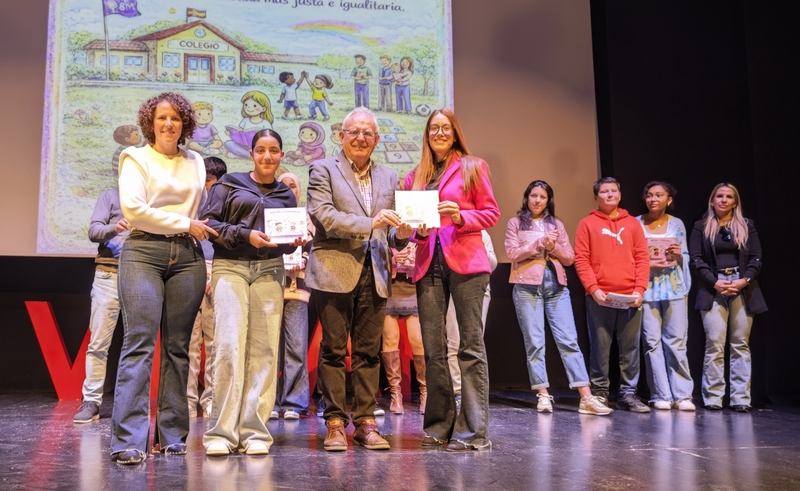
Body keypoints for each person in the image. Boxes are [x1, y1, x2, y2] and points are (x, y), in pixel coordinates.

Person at [111, 92, 217, 465]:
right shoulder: (135, 157)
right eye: (161, 118)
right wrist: (186, 223)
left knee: (178, 348)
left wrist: (190, 227)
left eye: (175, 118)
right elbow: (134, 211)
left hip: (187, 256)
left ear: (184, 123)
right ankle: (128, 440)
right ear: (150, 123)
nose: (168, 124)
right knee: (139, 343)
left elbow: (198, 210)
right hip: (144, 252)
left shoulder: (196, 161)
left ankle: (172, 436)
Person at [305, 107, 412, 452]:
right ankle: (335, 423)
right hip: (333, 270)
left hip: (376, 270)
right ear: (342, 136)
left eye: (368, 133)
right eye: (354, 132)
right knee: (334, 350)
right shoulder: (323, 169)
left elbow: (392, 232)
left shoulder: (390, 176)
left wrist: (403, 233)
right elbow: (324, 216)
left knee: (369, 352)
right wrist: (371, 224)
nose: (361, 138)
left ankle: (366, 422)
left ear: (376, 139)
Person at [200, 129, 304, 456]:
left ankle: (255, 431)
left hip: (269, 270)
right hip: (230, 268)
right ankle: (221, 432)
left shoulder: (285, 195)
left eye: (273, 151)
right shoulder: (229, 184)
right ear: (251, 154)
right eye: (261, 150)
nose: (267, 157)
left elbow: (283, 242)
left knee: (264, 351)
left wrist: (294, 242)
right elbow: (209, 225)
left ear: (282, 155)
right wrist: (247, 236)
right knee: (229, 346)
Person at [405, 108, 499, 452]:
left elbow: (491, 212)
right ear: (427, 134)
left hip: (466, 263)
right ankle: (438, 425)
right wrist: (416, 231)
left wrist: (461, 216)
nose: (440, 133)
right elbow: (411, 228)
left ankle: (474, 431)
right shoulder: (415, 176)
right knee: (433, 349)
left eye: (446, 128)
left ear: (455, 132)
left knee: (470, 346)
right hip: (428, 263)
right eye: (434, 128)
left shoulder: (473, 166)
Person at [506, 180, 613, 416]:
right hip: (526, 287)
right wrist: (538, 244)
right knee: (535, 343)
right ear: (527, 198)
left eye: (542, 197)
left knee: (569, 341)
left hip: (556, 287)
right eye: (533, 196)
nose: (537, 201)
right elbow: (512, 253)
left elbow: (569, 258)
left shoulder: (556, 224)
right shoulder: (515, 223)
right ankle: (543, 394)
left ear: (548, 201)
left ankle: (586, 397)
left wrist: (553, 247)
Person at [574, 177, 650, 413]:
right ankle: (599, 394)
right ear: (596, 197)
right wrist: (593, 289)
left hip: (630, 297)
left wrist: (639, 290)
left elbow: (642, 258)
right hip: (600, 297)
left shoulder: (633, 224)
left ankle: (628, 394)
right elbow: (581, 259)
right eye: (604, 191)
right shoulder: (586, 224)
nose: (610, 195)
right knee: (600, 347)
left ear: (620, 194)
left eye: (614, 191)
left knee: (630, 348)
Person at [689, 183, 766, 413]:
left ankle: (740, 398)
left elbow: (756, 258)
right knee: (715, 342)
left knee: (740, 344)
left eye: (729, 197)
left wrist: (745, 280)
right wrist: (715, 282)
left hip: (742, 286)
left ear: (735, 202)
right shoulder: (701, 226)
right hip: (713, 287)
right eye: (719, 196)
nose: (723, 200)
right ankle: (713, 397)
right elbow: (696, 259)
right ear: (712, 200)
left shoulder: (747, 225)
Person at [636, 181, 695, 411]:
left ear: (669, 200)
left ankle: (682, 395)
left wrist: (679, 255)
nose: (653, 199)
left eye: (659, 195)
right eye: (649, 195)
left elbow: (685, 255)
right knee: (652, 343)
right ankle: (660, 394)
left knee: (676, 342)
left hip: (674, 288)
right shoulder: (636, 223)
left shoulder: (677, 223)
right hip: (647, 289)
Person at [73, 188, 129, 424]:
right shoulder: (111, 196)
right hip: (109, 274)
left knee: (138, 345)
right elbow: (94, 231)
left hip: (142, 277)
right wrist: (115, 228)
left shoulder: (154, 197)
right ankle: (91, 401)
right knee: (98, 344)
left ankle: (130, 404)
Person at [187, 157, 228, 418]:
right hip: (190, 268)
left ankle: (211, 398)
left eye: (209, 181)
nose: (204, 186)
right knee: (190, 341)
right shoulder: (190, 199)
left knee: (214, 342)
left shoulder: (227, 202)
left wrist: (217, 273)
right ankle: (188, 400)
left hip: (217, 269)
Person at [272, 171, 314, 420]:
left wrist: (305, 258)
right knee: (269, 348)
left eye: (293, 185)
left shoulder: (307, 219)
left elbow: (312, 248)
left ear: (299, 190)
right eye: (284, 185)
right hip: (270, 286)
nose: (289, 189)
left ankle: (294, 403)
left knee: (296, 346)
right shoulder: (268, 216)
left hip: (297, 288)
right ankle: (268, 401)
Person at [444, 230, 496, 414]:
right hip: (454, 289)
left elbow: (492, 264)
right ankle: (458, 392)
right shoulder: (448, 232)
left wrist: (478, 248)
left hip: (480, 290)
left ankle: (474, 395)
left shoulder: (483, 233)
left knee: (474, 344)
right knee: (454, 343)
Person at [382, 243, 426, 414]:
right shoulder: (387, 233)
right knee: (390, 339)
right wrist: (392, 259)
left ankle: (425, 392)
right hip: (389, 287)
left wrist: (417, 262)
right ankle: (395, 394)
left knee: (418, 340)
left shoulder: (418, 231)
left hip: (413, 287)